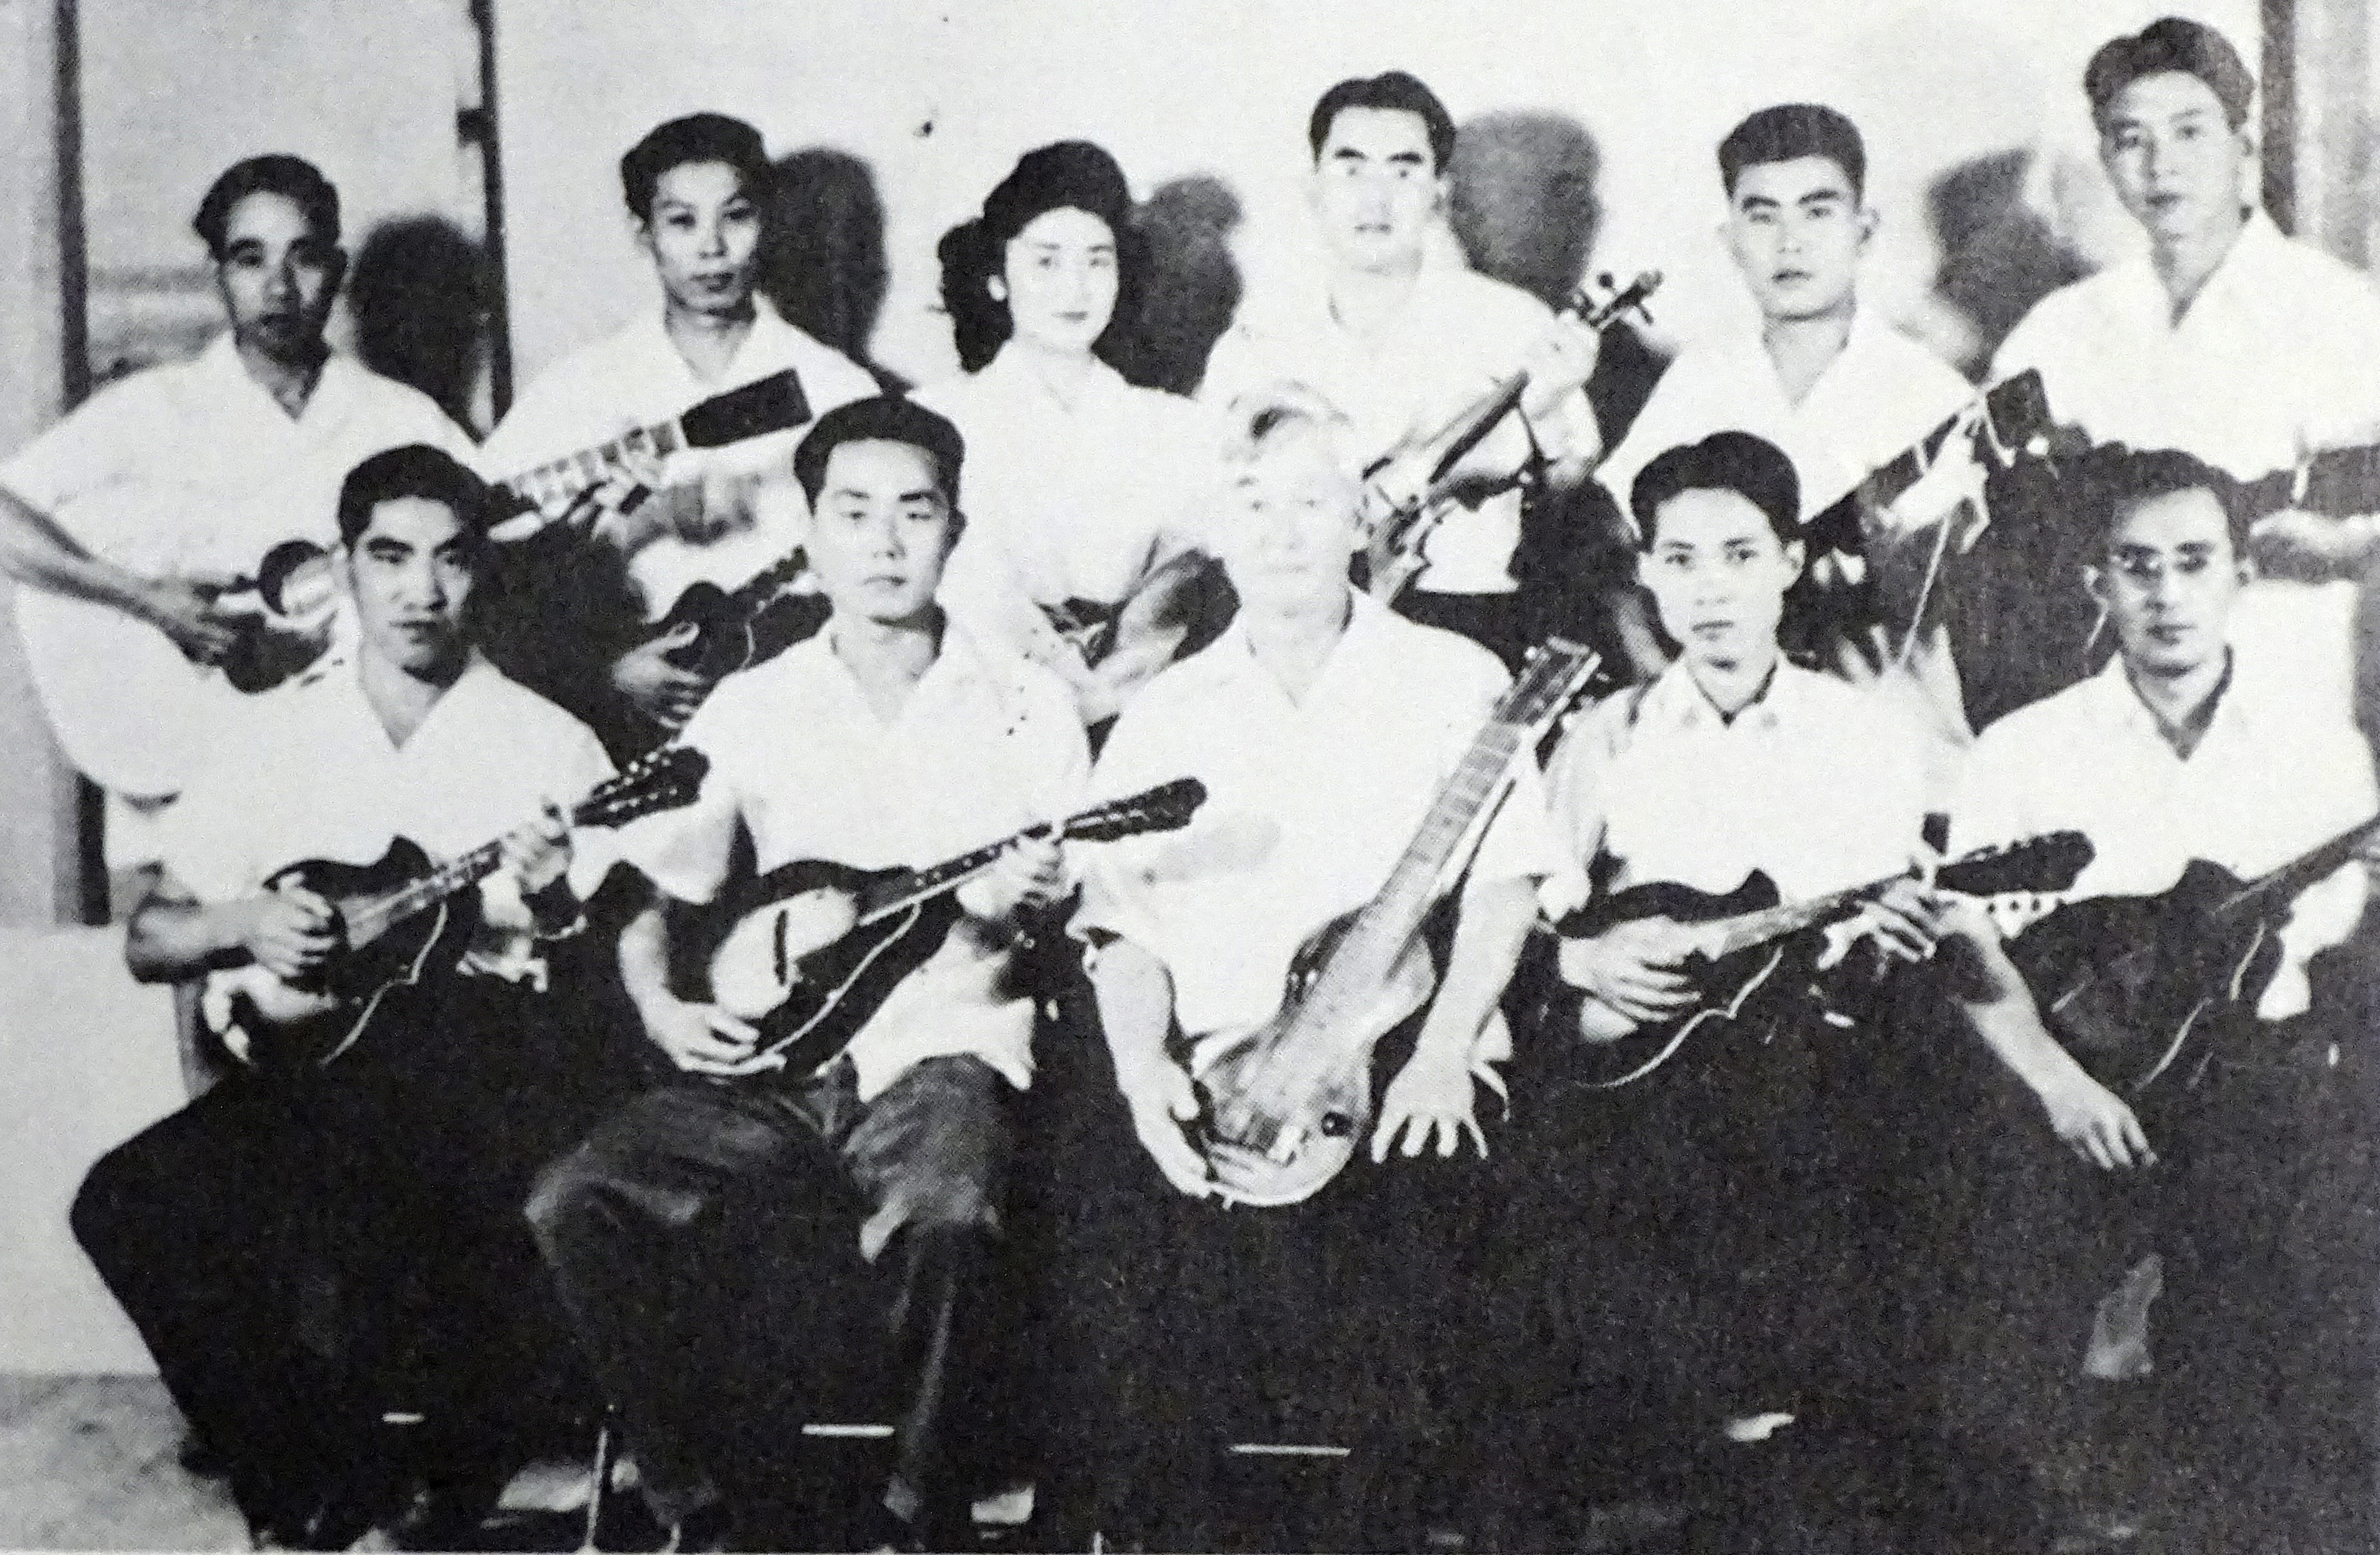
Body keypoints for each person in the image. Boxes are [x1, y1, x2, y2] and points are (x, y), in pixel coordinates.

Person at [523, 396, 1090, 1551]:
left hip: (944, 1047)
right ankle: (699, 1509)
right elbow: (649, 884)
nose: (885, 543)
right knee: (574, 1198)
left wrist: (1034, 903)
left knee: (945, 1212)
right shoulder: (754, 704)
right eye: (855, 513)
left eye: (914, 512)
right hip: (773, 1061)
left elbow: (1075, 905)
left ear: (955, 529)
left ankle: (910, 1513)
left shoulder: (1028, 705)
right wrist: (660, 1005)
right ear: (814, 533)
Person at [66, 445, 635, 1550]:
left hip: (496, 1073)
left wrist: (557, 895)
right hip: (320, 1076)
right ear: (345, 567)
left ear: (485, 574)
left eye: (452, 560)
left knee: (383, 1188)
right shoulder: (279, 732)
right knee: (127, 1199)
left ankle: (396, 1482)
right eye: (390, 557)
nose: (422, 589)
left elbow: (605, 977)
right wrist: (244, 923)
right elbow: (150, 937)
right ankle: (312, 1486)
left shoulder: (550, 741)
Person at [1035, 387, 1555, 1550]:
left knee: (1442, 1255)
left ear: (1360, 516)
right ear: (1220, 526)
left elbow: (1508, 877)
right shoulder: (1165, 711)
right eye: (1254, 504)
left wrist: (1445, 1047)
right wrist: (1137, 1072)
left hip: (1404, 1065)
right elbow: (1121, 925)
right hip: (1218, 1078)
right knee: (1107, 1253)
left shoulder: (1450, 674)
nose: (1281, 531)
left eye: (1310, 501)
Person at [1490, 431, 1961, 1544]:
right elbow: (1527, 919)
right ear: (1646, 572)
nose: (1710, 589)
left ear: (1789, 563)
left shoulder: (1863, 737)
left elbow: (1874, 943)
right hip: (1635, 1068)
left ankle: (1780, 1473)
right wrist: (1578, 958)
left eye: (1740, 555)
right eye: (1682, 559)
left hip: (1814, 1058)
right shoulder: (1604, 734)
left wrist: (1891, 937)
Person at [1939, 444, 2377, 1549]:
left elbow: (2333, 955)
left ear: (2238, 570)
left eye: (2192, 561)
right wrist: (2059, 1088)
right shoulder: (2022, 749)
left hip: (2259, 1088)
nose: (2166, 593)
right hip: (2071, 1082)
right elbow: (1969, 949)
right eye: (2136, 566)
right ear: (2095, 584)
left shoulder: (2318, 751)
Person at [0, 155, 474, 840]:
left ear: (337, 270)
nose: (278, 288)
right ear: (219, 274)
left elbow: (494, 554)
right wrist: (143, 599)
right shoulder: (154, 408)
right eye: (250, 259)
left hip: (359, 781)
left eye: (302, 258)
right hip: (190, 778)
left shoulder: (404, 420)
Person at [1994, 17, 2380, 722]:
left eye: (2189, 131)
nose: (2159, 164)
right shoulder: (2054, 337)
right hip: (2096, 718)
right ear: (2106, 159)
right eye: (2130, 138)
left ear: (2245, 143)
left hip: (2292, 712)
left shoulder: (2341, 315)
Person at [1590, 105, 1977, 793]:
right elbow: (1624, 563)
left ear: (1864, 231)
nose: (1789, 242)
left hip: (1887, 747)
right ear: (1731, 239)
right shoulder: (1698, 380)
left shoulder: (1935, 398)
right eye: (1762, 216)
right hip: (1713, 747)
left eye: (1817, 212)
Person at [478, 113, 879, 753]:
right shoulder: (578, 389)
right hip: (628, 725)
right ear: (645, 234)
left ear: (766, 223)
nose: (712, 248)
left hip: (801, 721)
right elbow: (482, 576)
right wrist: (598, 675)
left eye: (736, 217)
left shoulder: (838, 390)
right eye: (682, 221)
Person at [1194, 70, 1608, 672]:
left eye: (1405, 169)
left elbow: (1568, 494)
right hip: (1298, 628)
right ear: (1314, 188)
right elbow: (1219, 514)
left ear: (1440, 191)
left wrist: (1544, 416)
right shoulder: (1256, 342)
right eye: (1352, 167)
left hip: (1467, 617)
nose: (1376, 198)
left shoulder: (1511, 321)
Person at [919, 140, 1223, 726]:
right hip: (978, 711)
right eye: (1046, 261)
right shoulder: (934, 421)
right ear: (997, 278)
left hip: (1141, 712)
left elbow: (1189, 582)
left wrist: (1112, 687)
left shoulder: (1178, 429)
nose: (1075, 288)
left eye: (1097, 261)